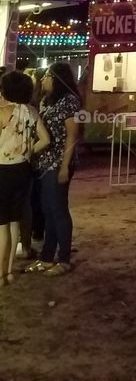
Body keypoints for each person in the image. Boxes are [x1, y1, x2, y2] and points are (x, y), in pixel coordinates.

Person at [26, 62, 81, 277]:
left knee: (58, 210)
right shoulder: (46, 101)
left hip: (59, 162)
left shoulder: (70, 102)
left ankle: (64, 258)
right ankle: (47, 256)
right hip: (44, 163)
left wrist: (64, 166)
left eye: (47, 76)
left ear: (57, 79)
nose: (42, 80)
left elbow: (72, 135)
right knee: (47, 209)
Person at [0, 69, 50, 285]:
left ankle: (0, 274)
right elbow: (45, 139)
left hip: (2, 170)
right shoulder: (31, 111)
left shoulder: (2, 111)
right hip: (23, 170)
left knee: (1, 225)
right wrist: (28, 151)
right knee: (13, 223)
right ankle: (9, 271)